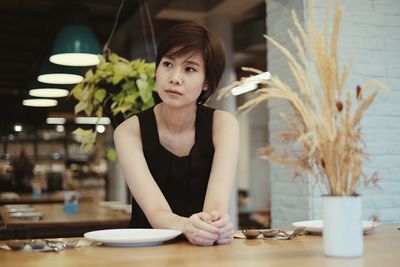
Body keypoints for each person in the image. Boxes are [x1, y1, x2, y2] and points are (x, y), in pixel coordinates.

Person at [114, 22, 239, 246]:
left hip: (203, 249)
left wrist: (217, 224)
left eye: (189, 69)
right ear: (157, 69)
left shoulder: (223, 125)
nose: (174, 77)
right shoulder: (129, 131)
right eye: (168, 64)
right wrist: (189, 226)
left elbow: (215, 209)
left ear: (207, 82)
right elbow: (156, 211)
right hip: (145, 251)